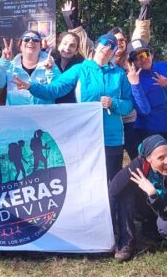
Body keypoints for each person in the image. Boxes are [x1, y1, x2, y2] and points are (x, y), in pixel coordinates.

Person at [13, 34, 133, 182]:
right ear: (96, 46)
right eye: (105, 43)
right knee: (87, 182)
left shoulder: (119, 74)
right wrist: (31, 86)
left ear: (115, 52)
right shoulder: (80, 69)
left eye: (112, 46)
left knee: (113, 183)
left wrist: (114, 103)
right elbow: (55, 90)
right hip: (86, 137)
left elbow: (129, 105)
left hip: (112, 138)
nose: (107, 48)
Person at [108, 135, 167, 262]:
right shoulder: (138, 165)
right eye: (161, 157)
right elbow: (113, 190)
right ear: (148, 159)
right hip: (149, 210)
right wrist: (108, 225)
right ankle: (126, 242)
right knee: (125, 191)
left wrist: (152, 193)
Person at [110, 0, 153, 160]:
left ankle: (148, 184)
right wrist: (70, 19)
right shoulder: (104, 58)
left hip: (131, 118)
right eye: (114, 40)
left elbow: (140, 35)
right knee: (112, 159)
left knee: (138, 156)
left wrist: (145, 7)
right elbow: (84, 44)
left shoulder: (132, 54)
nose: (118, 43)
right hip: (110, 118)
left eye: (121, 40)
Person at [126, 38, 167, 165]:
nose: (143, 59)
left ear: (151, 54)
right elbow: (144, 110)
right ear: (132, 62)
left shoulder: (164, 67)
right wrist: (135, 84)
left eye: (145, 54)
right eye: (138, 57)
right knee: (158, 167)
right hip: (149, 132)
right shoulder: (132, 80)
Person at [0, 30, 61, 105]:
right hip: (17, 115)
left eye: (35, 39)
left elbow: (58, 90)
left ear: (40, 46)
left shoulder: (50, 64)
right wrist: (3, 63)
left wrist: (50, 71)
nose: (31, 41)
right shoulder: (9, 66)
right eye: (26, 39)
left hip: (43, 115)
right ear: (20, 46)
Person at [52, 31, 84, 103]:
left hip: (73, 109)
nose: (67, 47)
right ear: (58, 46)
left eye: (72, 45)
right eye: (65, 43)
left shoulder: (80, 68)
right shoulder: (51, 64)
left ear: (76, 51)